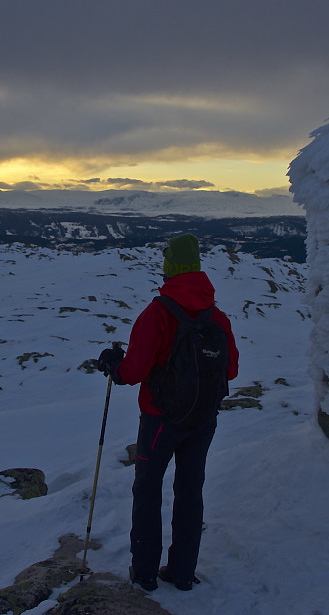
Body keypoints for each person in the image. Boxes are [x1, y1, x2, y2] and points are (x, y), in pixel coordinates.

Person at [97, 233, 239, 592]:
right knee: (190, 491)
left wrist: (115, 365)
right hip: (203, 420)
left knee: (147, 489)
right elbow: (231, 370)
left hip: (160, 419)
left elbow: (134, 372)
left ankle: (144, 573)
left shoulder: (158, 313)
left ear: (169, 267)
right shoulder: (216, 317)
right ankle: (181, 572)